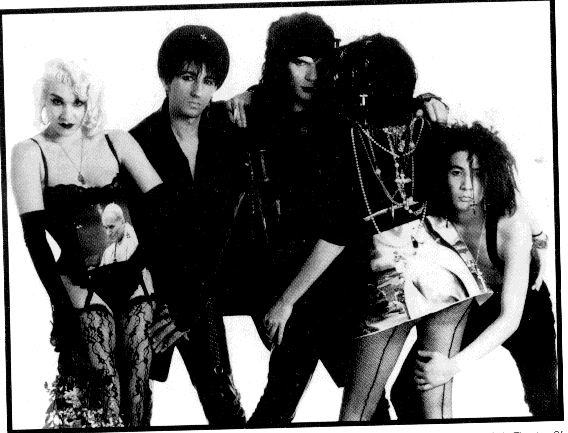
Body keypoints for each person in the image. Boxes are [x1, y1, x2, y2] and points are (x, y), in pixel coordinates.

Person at [256, 32, 497, 422]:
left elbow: (335, 234)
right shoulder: (433, 128)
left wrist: (286, 300)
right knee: (437, 408)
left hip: (395, 277)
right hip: (451, 272)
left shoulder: (350, 141)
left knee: (357, 412)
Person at [224, 13, 450, 426]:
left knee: (354, 400)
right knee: (294, 396)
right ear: (279, 64)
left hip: (338, 280)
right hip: (285, 278)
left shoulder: (342, 110)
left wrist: (425, 100)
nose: (313, 75)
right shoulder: (255, 117)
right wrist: (247, 95)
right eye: (300, 62)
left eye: (320, 63)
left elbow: (389, 98)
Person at [11, 58, 166, 427]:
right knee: (105, 393)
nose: (67, 114)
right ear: (43, 100)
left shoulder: (116, 141)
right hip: (80, 283)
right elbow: (35, 240)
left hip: (135, 275)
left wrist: (146, 261)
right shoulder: (29, 152)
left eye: (78, 102)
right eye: (57, 101)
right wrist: (60, 306)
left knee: (137, 388)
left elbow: (163, 207)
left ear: (90, 103)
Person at [387, 122, 559, 419]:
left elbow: (510, 319)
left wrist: (452, 367)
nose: (467, 186)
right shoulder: (433, 209)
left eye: (478, 174)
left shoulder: (510, 223)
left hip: (526, 310)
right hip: (473, 303)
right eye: (457, 173)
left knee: (545, 402)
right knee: (407, 391)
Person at [128, 25, 247, 427]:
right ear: (166, 79)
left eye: (208, 81)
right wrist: (172, 303)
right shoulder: (139, 142)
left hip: (205, 288)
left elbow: (223, 230)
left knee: (222, 400)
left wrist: (188, 306)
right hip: (157, 290)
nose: (198, 91)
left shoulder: (226, 134)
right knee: (133, 399)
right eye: (188, 77)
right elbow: (144, 237)